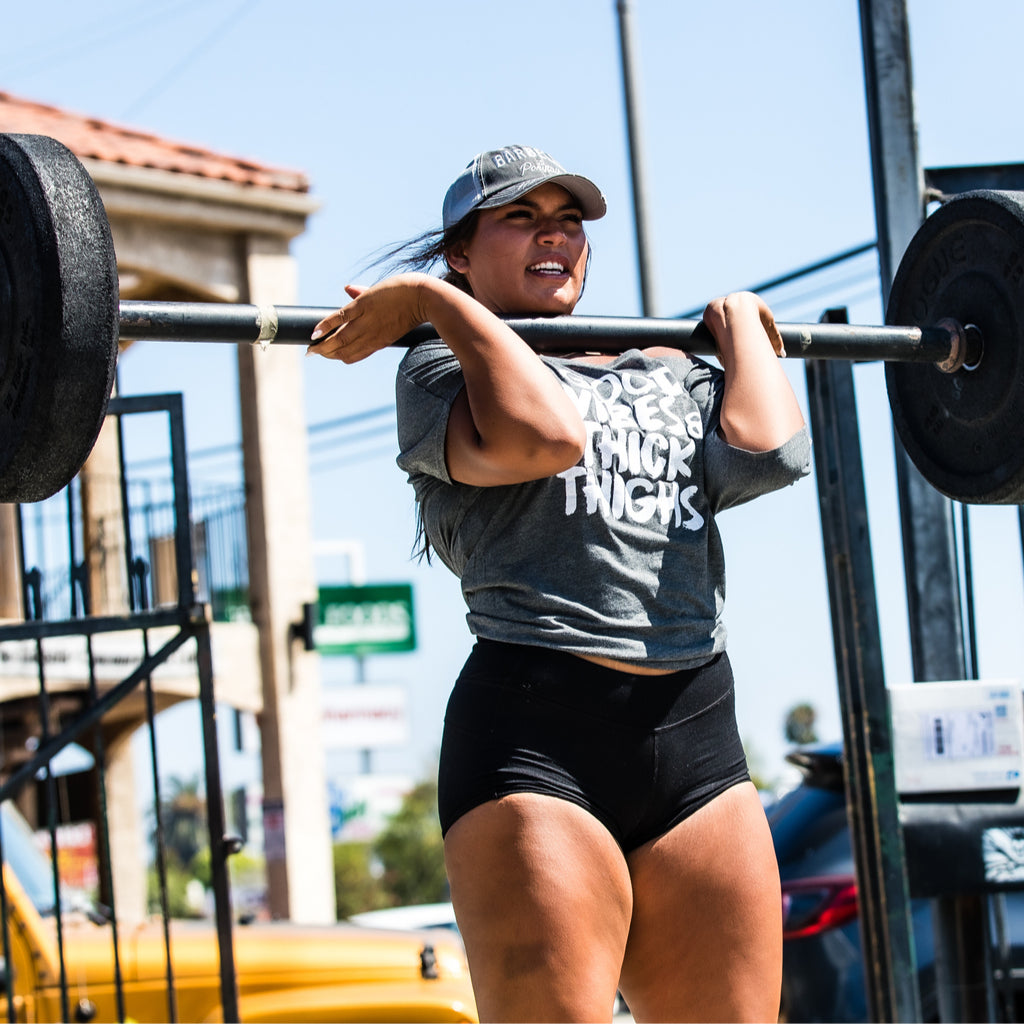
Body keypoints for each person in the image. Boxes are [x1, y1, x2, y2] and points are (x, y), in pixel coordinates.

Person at [310, 145, 811, 1023]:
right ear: (460, 250)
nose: (555, 236)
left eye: (569, 221)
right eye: (521, 217)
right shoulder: (436, 367)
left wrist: (740, 321)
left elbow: (769, 451)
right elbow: (542, 440)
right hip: (537, 737)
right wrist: (434, 305)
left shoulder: (662, 368)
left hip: (697, 730)